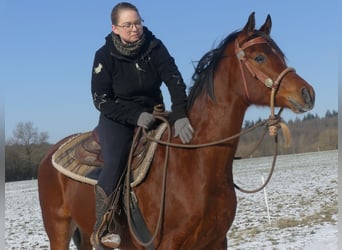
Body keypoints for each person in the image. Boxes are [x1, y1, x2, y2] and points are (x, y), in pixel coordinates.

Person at [90, 2, 194, 249]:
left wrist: (180, 114)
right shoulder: (103, 56)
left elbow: (175, 80)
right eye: (128, 25)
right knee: (115, 160)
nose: (135, 28)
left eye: (138, 22)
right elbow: (101, 99)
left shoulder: (154, 47)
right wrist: (135, 116)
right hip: (117, 118)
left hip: (155, 112)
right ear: (115, 28)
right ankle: (104, 225)